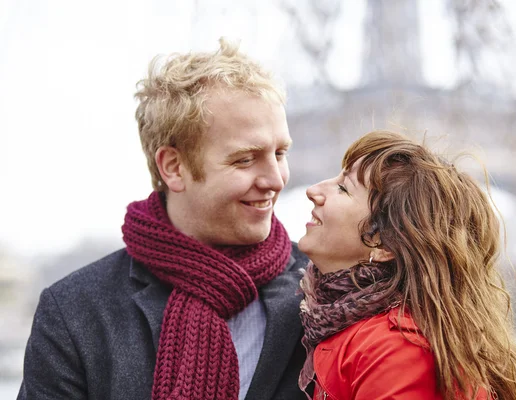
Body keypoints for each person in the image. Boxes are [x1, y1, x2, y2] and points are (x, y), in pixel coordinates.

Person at [18, 38, 310, 400]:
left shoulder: (328, 289)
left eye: (280, 152)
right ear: (173, 167)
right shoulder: (74, 313)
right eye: (245, 159)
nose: (276, 179)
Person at [297, 130, 516, 399]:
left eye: (343, 188)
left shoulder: (397, 347)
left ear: (383, 243)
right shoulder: (350, 326)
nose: (313, 190)